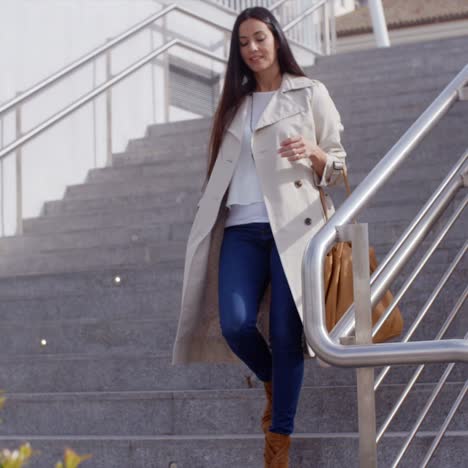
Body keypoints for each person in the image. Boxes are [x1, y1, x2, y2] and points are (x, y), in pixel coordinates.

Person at [171, 6, 347, 467]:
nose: (252, 49)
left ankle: (278, 445)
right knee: (235, 323)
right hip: (241, 229)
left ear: (276, 39)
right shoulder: (233, 105)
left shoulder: (310, 93)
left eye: (259, 38)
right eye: (243, 43)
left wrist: (313, 152)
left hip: (294, 228)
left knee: (289, 334)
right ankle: (275, 382)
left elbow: (340, 166)